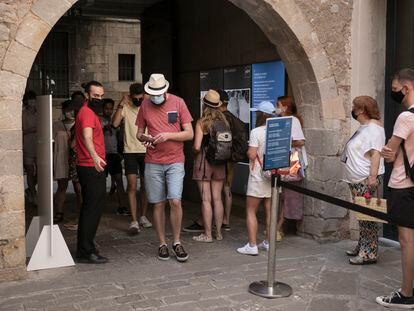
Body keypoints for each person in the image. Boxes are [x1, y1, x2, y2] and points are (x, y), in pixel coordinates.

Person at [136, 73, 193, 262]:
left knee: (175, 200)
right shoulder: (145, 105)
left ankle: (177, 242)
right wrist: (146, 139)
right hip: (153, 160)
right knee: (158, 203)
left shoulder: (178, 103)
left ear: (165, 90)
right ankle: (162, 243)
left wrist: (168, 135)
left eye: (158, 93)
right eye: (152, 93)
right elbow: (138, 133)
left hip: (175, 160)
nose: (155, 96)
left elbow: (189, 133)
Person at [376, 68, 414, 308]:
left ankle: (406, 293)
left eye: (394, 90)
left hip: (404, 184)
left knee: (407, 240)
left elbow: (388, 154)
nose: (394, 94)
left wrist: (389, 149)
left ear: (406, 88)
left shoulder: (406, 117)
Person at [341, 96, 385, 265]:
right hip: (356, 179)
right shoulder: (364, 127)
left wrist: (372, 178)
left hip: (365, 180)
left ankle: (369, 253)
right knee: (362, 216)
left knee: (368, 217)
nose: (352, 108)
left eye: (354, 106)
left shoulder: (374, 129)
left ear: (362, 110)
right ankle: (363, 246)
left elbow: (376, 153)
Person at [75, 80, 108, 264]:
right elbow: (87, 137)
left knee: (90, 208)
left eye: (102, 96)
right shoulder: (87, 113)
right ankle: (86, 251)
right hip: (90, 166)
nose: (99, 99)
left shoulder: (87, 112)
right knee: (92, 210)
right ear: (87, 95)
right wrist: (96, 158)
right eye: (96, 96)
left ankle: (85, 248)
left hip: (89, 165)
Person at [113, 83, 152, 234]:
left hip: (147, 150)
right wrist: (121, 105)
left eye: (140, 98)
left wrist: (149, 99)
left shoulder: (148, 106)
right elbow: (115, 123)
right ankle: (134, 220)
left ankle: (143, 216)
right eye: (135, 98)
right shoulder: (126, 107)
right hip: (130, 152)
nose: (138, 101)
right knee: (131, 186)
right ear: (130, 96)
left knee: (146, 185)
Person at [237, 101, 275, 255]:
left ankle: (252, 245)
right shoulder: (276, 130)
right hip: (273, 175)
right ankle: (268, 241)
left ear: (260, 114)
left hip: (258, 175)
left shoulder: (256, 132)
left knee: (251, 210)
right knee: (270, 210)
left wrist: (248, 152)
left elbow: (252, 154)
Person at [192, 90, 228, 242]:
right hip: (220, 162)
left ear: (204, 105)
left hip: (205, 161)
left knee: (206, 199)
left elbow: (197, 146)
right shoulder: (224, 122)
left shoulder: (202, 122)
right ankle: (218, 233)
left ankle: (207, 235)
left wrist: (194, 153)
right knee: (217, 199)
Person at [275, 96, 308, 241]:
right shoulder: (284, 120)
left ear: (285, 107)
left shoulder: (293, 121)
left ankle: (279, 227)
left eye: (278, 105)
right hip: (285, 158)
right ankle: (278, 227)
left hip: (292, 159)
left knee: (288, 195)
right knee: (281, 194)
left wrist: (284, 140)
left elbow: (300, 141)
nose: (276, 107)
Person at [102, 98, 128, 214]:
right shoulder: (98, 120)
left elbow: (120, 138)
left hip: (114, 154)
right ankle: (98, 207)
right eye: (106, 108)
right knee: (101, 182)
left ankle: (122, 206)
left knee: (119, 180)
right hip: (102, 155)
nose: (108, 111)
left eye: (110, 109)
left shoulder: (115, 120)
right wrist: (103, 128)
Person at [53, 100, 76, 223]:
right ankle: (59, 212)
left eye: (72, 110)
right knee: (62, 186)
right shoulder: (56, 125)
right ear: (63, 111)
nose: (70, 112)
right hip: (61, 157)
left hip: (75, 158)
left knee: (79, 188)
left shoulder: (79, 123)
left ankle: (81, 213)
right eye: (67, 110)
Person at [22, 90, 38, 206]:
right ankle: (33, 193)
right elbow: (19, 131)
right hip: (27, 145)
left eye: (33, 99)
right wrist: (30, 130)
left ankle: (30, 189)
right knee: (30, 171)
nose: (32, 101)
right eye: (30, 99)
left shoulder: (40, 112)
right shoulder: (22, 114)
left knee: (42, 171)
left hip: (40, 145)